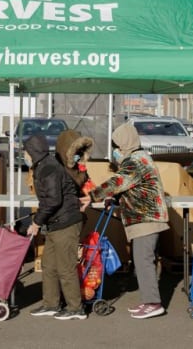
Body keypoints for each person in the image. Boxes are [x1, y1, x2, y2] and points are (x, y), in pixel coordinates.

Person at [80, 122, 169, 319]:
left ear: (124, 145)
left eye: (117, 147)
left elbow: (117, 182)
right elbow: (131, 185)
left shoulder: (134, 162)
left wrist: (94, 195)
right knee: (143, 260)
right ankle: (149, 300)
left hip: (145, 217)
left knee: (143, 260)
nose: (116, 151)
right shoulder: (141, 158)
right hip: (147, 217)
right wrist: (115, 197)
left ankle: (153, 303)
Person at [25, 134, 86, 321]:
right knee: (48, 265)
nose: (25, 156)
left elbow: (53, 200)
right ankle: (51, 304)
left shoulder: (48, 168)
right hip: (55, 223)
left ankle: (76, 308)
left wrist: (36, 222)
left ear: (33, 153)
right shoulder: (43, 166)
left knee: (65, 267)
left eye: (26, 153)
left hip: (66, 222)